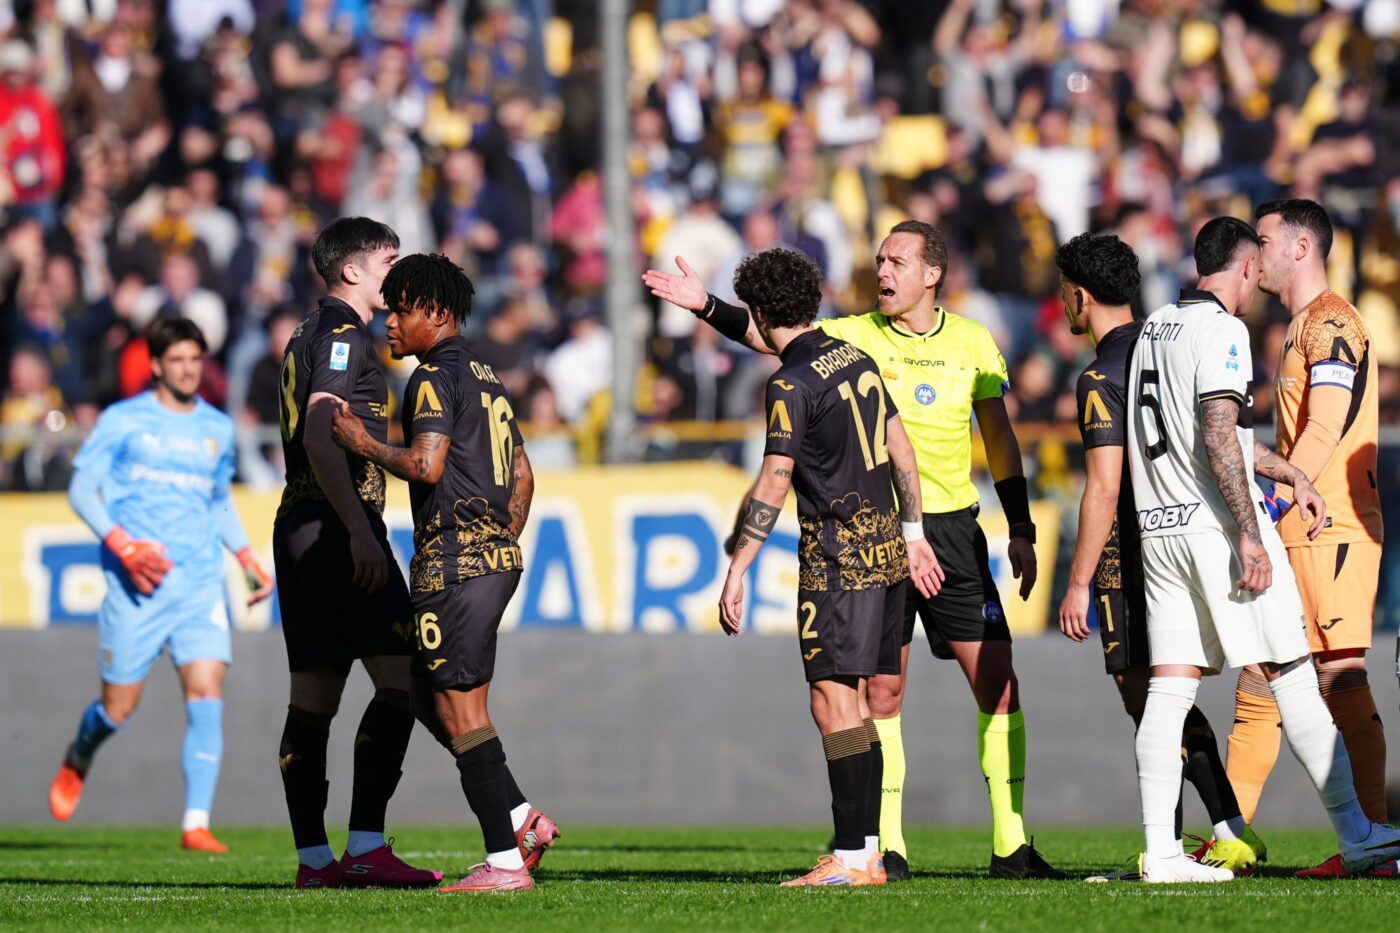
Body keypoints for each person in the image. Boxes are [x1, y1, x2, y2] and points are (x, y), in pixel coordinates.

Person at [644, 220, 1062, 881]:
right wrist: (706, 306)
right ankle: (885, 847)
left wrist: (1021, 527)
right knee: (882, 692)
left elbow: (1000, 440)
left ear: (932, 273)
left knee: (997, 681)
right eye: (879, 259)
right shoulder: (854, 337)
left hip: (951, 532)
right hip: (883, 534)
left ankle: (1010, 846)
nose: (883, 271)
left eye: (897, 261)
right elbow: (774, 335)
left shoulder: (974, 343)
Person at [1125, 216, 1400, 882]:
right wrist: (1258, 522)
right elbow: (1221, 431)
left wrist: (1286, 476)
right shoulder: (1228, 330)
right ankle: (1359, 833)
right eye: (1260, 247)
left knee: (1178, 686)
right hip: (1227, 527)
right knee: (1296, 674)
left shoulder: (1155, 326)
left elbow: (1265, 431)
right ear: (1245, 266)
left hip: (1167, 527)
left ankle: (1171, 849)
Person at [330, 253, 558, 893]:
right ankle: (520, 817)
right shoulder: (487, 375)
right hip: (491, 558)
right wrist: (498, 541)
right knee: (424, 692)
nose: (389, 323)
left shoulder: (431, 376)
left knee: (460, 710)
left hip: (455, 562)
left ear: (434, 312)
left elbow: (426, 466)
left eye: (399, 310)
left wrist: (362, 442)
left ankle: (505, 863)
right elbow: (523, 473)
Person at [713, 247, 940, 886]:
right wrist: (913, 535)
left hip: (838, 560)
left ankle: (849, 856)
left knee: (832, 701)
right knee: (859, 707)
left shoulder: (789, 383)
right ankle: (866, 854)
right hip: (887, 554)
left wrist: (739, 565)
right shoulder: (854, 357)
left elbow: (776, 475)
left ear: (760, 313)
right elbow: (902, 451)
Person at [1052, 232, 1263, 878]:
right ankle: (1226, 829)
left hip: (1132, 553)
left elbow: (1104, 486)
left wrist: (1078, 581)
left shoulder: (1099, 377)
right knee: (1169, 694)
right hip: (1189, 535)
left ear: (1079, 297)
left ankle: (1174, 844)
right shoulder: (1165, 343)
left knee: (1148, 699)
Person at [47, 318, 273, 853]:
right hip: (138, 587)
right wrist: (123, 545)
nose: (188, 369)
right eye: (177, 360)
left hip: (198, 586)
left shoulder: (216, 428)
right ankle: (80, 753)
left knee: (207, 692)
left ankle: (196, 823)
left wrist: (245, 555)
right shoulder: (123, 421)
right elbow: (81, 491)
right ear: (155, 365)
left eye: (195, 359)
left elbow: (217, 501)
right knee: (118, 709)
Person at [1224, 199, 1391, 879]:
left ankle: (1376, 843)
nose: (1252, 253)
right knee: (1261, 673)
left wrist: (1276, 499)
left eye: (1262, 241)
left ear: (1299, 248)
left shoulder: (1332, 322)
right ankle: (1232, 836)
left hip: (1333, 528)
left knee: (1339, 675)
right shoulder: (1299, 326)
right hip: (1300, 523)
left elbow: (1324, 428)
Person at [271, 217, 438, 889]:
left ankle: (314, 860)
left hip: (299, 526)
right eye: (389, 260)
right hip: (337, 527)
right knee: (402, 680)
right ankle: (366, 844)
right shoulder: (344, 335)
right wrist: (362, 530)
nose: (397, 272)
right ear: (353, 270)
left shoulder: (305, 332)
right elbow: (321, 431)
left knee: (313, 699)